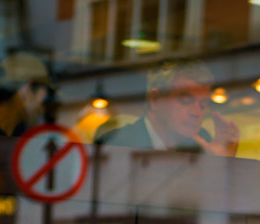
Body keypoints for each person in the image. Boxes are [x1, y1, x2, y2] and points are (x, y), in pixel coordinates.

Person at [95, 60, 238, 156]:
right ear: (155, 99)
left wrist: (221, 163)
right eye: (185, 101)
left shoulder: (202, 142)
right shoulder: (118, 143)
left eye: (203, 105)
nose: (196, 113)